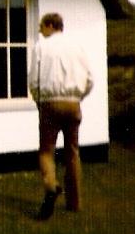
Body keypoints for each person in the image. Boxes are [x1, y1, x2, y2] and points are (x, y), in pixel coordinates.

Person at [28, 13, 93, 220]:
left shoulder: (41, 47)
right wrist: (78, 97)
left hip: (50, 103)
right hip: (73, 103)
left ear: (50, 25)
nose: (40, 30)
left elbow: (33, 80)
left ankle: (51, 186)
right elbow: (89, 79)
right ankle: (74, 203)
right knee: (72, 152)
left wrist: (38, 100)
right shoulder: (77, 47)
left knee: (46, 150)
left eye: (41, 26)